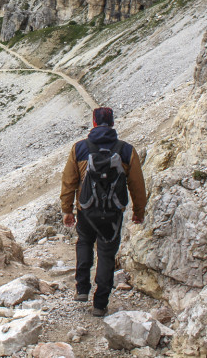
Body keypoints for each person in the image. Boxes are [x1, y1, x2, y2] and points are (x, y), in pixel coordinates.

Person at [60, 106, 147, 316]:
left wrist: (67, 209)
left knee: (84, 243)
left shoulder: (79, 149)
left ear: (94, 122)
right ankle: (100, 304)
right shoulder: (126, 150)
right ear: (113, 123)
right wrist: (138, 210)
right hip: (113, 213)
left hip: (86, 210)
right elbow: (137, 184)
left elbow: (69, 181)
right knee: (107, 254)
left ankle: (82, 289)